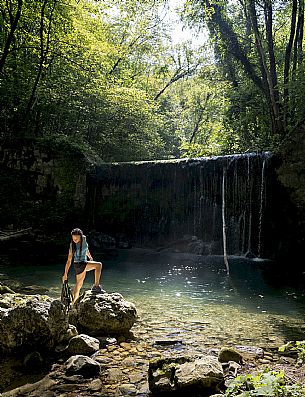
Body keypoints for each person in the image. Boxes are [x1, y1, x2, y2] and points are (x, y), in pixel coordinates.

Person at [62, 228, 103, 303]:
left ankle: (74, 302)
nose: (75, 240)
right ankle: (96, 286)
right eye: (73, 238)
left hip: (83, 262)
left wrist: (90, 257)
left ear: (80, 236)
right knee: (98, 265)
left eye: (76, 238)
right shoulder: (72, 246)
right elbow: (69, 261)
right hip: (79, 264)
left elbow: (86, 249)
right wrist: (65, 274)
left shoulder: (84, 239)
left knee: (79, 284)